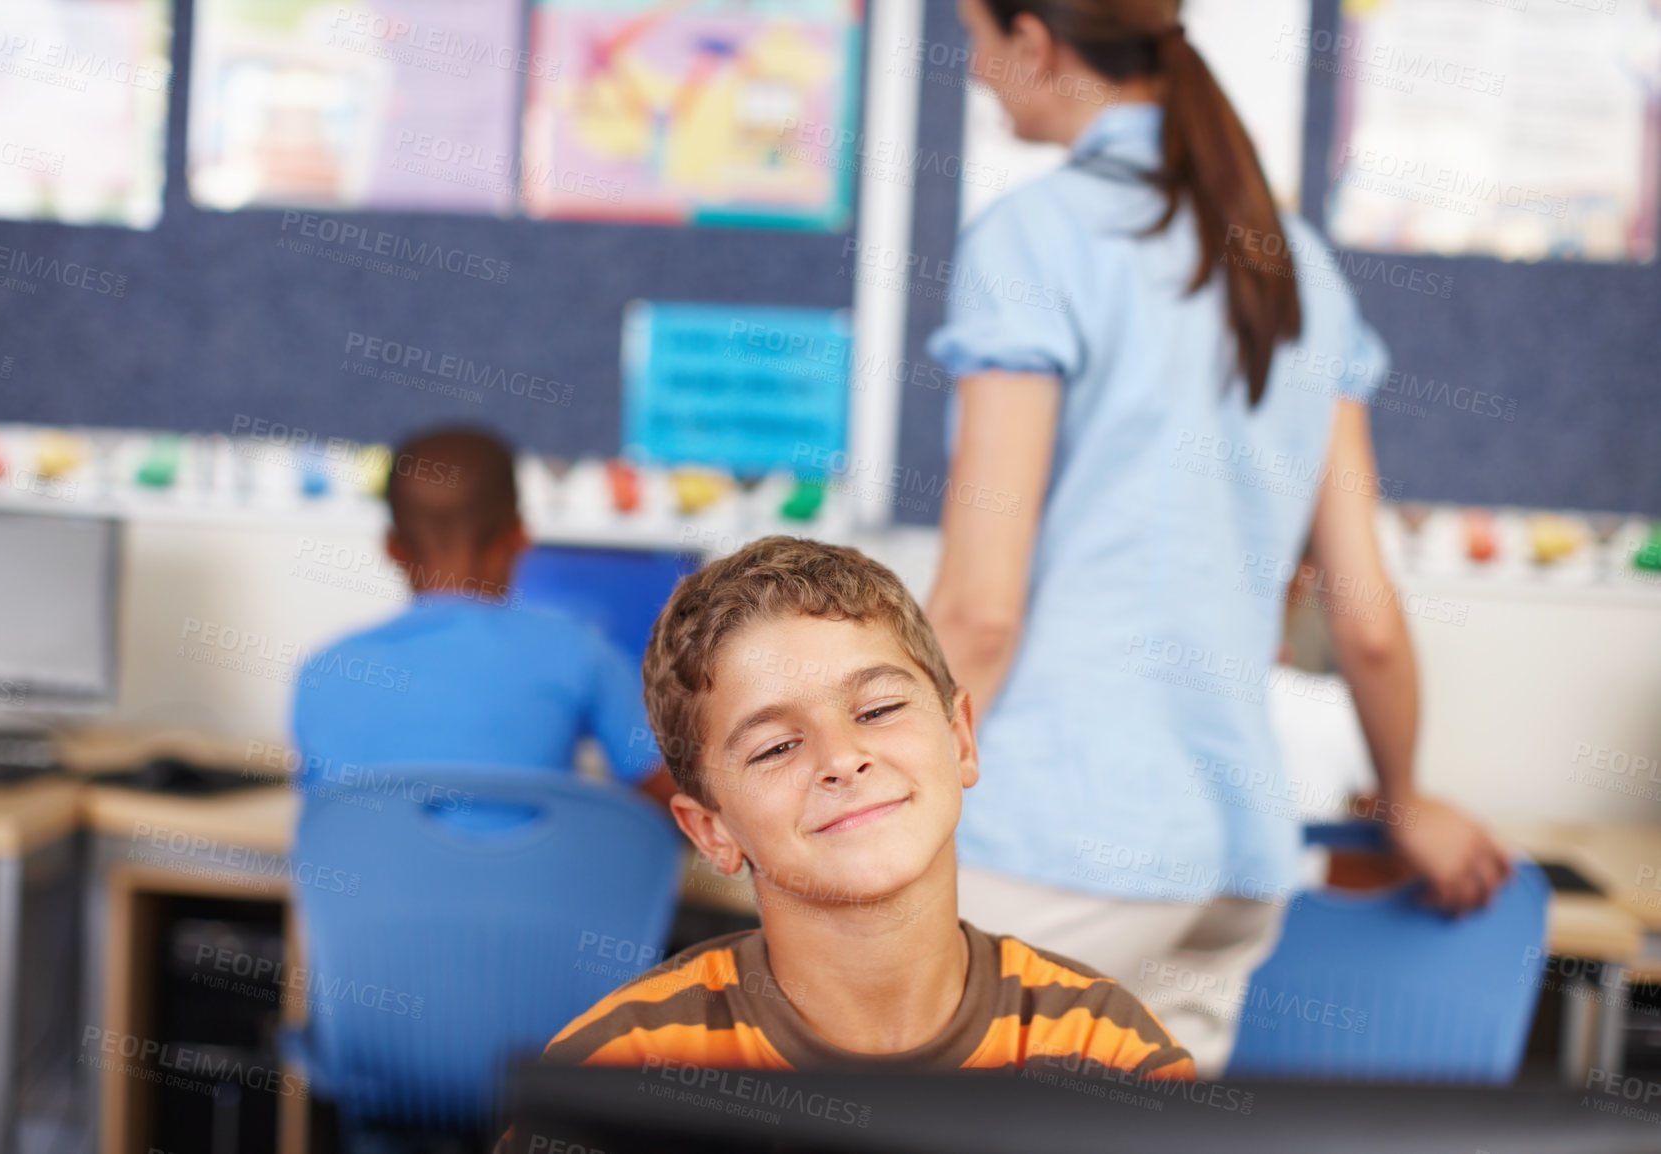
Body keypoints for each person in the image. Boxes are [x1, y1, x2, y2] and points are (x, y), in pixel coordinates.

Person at [921, 0, 1512, 1076]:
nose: (974, 75)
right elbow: (1362, 615)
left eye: (974, 40)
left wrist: (862, 788)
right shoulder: (1298, 267)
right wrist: (1407, 792)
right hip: (1228, 859)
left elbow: (978, 609)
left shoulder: (1032, 239)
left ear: (1035, 41)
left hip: (1058, 842)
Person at [532, 536, 1193, 1081]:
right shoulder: (621, 1072)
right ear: (712, 831)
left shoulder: (1106, 1051)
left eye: (878, 710)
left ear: (960, 737)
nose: (841, 758)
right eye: (775, 747)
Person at [291, 427, 675, 802]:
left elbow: (326, 820)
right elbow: (673, 794)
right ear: (519, 536)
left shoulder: (324, 670)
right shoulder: (579, 651)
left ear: (392, 548)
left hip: (366, 870)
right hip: (534, 870)